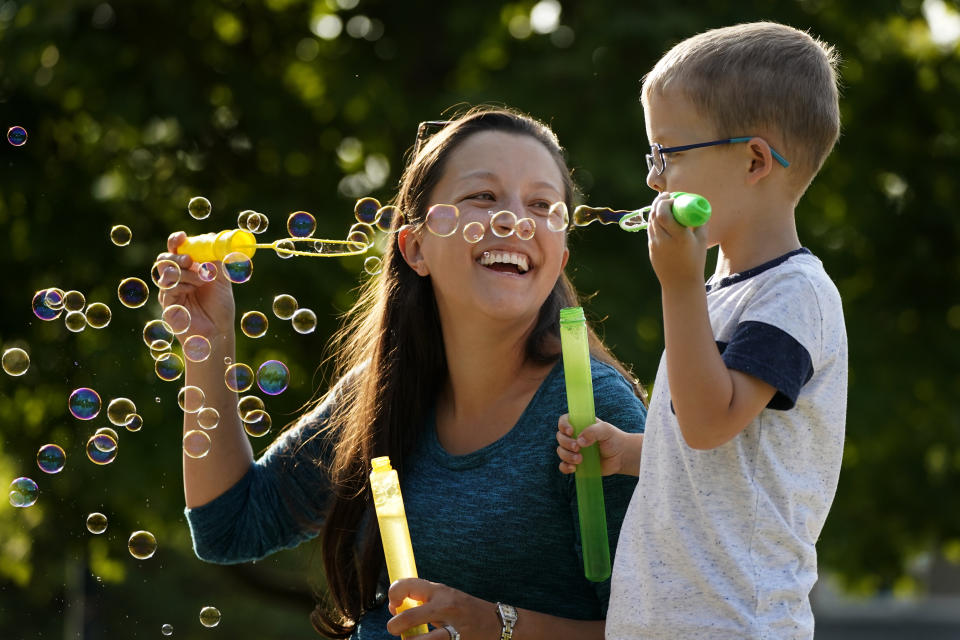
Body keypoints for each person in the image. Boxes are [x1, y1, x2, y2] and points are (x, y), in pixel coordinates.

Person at [157, 106, 647, 640]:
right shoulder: (384, 388)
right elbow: (230, 525)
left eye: (542, 205)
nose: (515, 219)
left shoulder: (592, 410)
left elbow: (666, 627)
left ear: (560, 254)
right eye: (483, 196)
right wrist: (207, 346)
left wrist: (498, 627)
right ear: (415, 247)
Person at [555, 22, 847, 639]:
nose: (655, 180)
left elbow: (712, 423)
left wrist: (679, 287)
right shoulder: (720, 291)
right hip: (667, 620)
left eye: (669, 153)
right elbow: (714, 454)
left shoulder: (794, 294)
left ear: (754, 159)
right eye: (651, 156)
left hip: (733, 621)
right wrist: (633, 453)